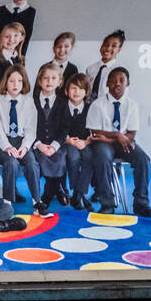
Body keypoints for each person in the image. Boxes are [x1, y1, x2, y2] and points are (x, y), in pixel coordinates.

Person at [86, 67, 151, 217]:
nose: (117, 84)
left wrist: (117, 137)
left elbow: (131, 135)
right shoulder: (98, 105)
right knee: (102, 157)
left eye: (121, 81)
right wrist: (117, 135)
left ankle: (141, 203)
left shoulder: (132, 105)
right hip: (102, 144)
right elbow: (95, 132)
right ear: (107, 84)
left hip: (122, 143)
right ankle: (107, 203)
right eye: (113, 81)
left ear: (128, 83)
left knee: (143, 158)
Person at [0, 64, 40, 208]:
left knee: (31, 162)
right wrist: (7, 147)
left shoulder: (29, 102)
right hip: (2, 141)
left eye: (19, 80)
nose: (15, 84)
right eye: (11, 81)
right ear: (5, 82)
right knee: (11, 163)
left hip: (22, 141)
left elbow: (31, 129)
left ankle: (37, 201)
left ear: (24, 82)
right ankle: (7, 201)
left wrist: (25, 147)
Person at [31, 62, 69, 216]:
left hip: (56, 144)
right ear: (39, 81)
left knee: (59, 159)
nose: (49, 81)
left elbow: (64, 129)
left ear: (59, 82)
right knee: (40, 160)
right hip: (38, 144)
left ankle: (49, 193)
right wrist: (39, 144)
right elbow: (28, 126)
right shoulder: (31, 101)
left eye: (54, 78)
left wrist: (54, 146)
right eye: (45, 78)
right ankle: (56, 189)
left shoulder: (62, 103)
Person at [61, 73, 97, 211]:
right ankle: (79, 195)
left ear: (86, 92)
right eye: (73, 88)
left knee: (90, 158)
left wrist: (86, 142)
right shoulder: (61, 107)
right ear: (66, 90)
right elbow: (57, 128)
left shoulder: (90, 108)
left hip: (85, 141)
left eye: (81, 89)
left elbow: (95, 130)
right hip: (68, 141)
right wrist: (68, 139)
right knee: (73, 157)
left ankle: (78, 194)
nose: (77, 92)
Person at [84, 30, 125, 102]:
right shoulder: (90, 69)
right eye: (106, 44)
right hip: (89, 108)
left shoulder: (120, 71)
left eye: (114, 46)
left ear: (119, 49)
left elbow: (122, 96)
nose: (108, 48)